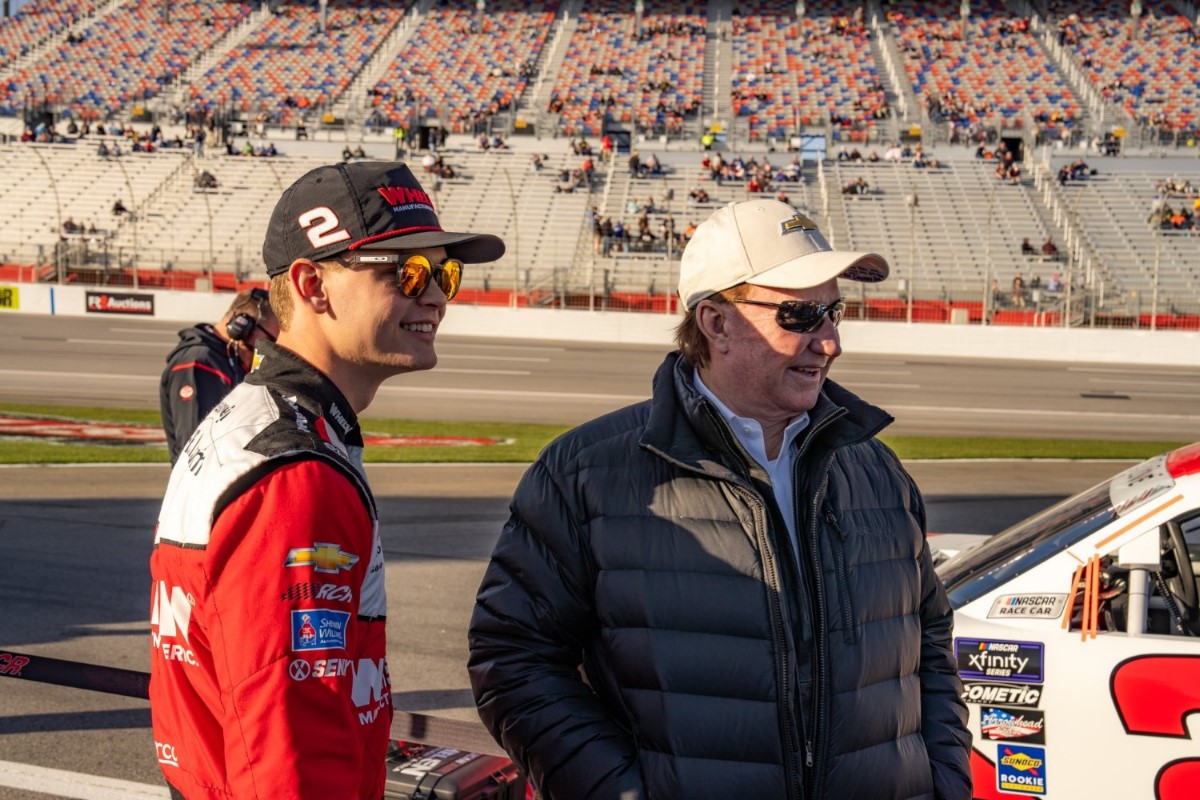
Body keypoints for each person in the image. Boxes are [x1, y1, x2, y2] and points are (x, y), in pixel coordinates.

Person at [468, 199, 971, 799]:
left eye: (833, 310)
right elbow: (515, 659)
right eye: (802, 313)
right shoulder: (587, 472)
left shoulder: (876, 472)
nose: (830, 341)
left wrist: (943, 784)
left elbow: (929, 644)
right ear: (715, 322)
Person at [150, 161, 505, 799]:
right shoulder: (297, 474)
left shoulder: (257, 416)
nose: (437, 297)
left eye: (443, 272)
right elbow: (288, 750)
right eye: (407, 271)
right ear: (313, 284)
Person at [159, 288, 281, 464]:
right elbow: (197, 451)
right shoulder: (201, 363)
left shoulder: (229, 359)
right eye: (271, 340)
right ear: (241, 326)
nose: (270, 349)